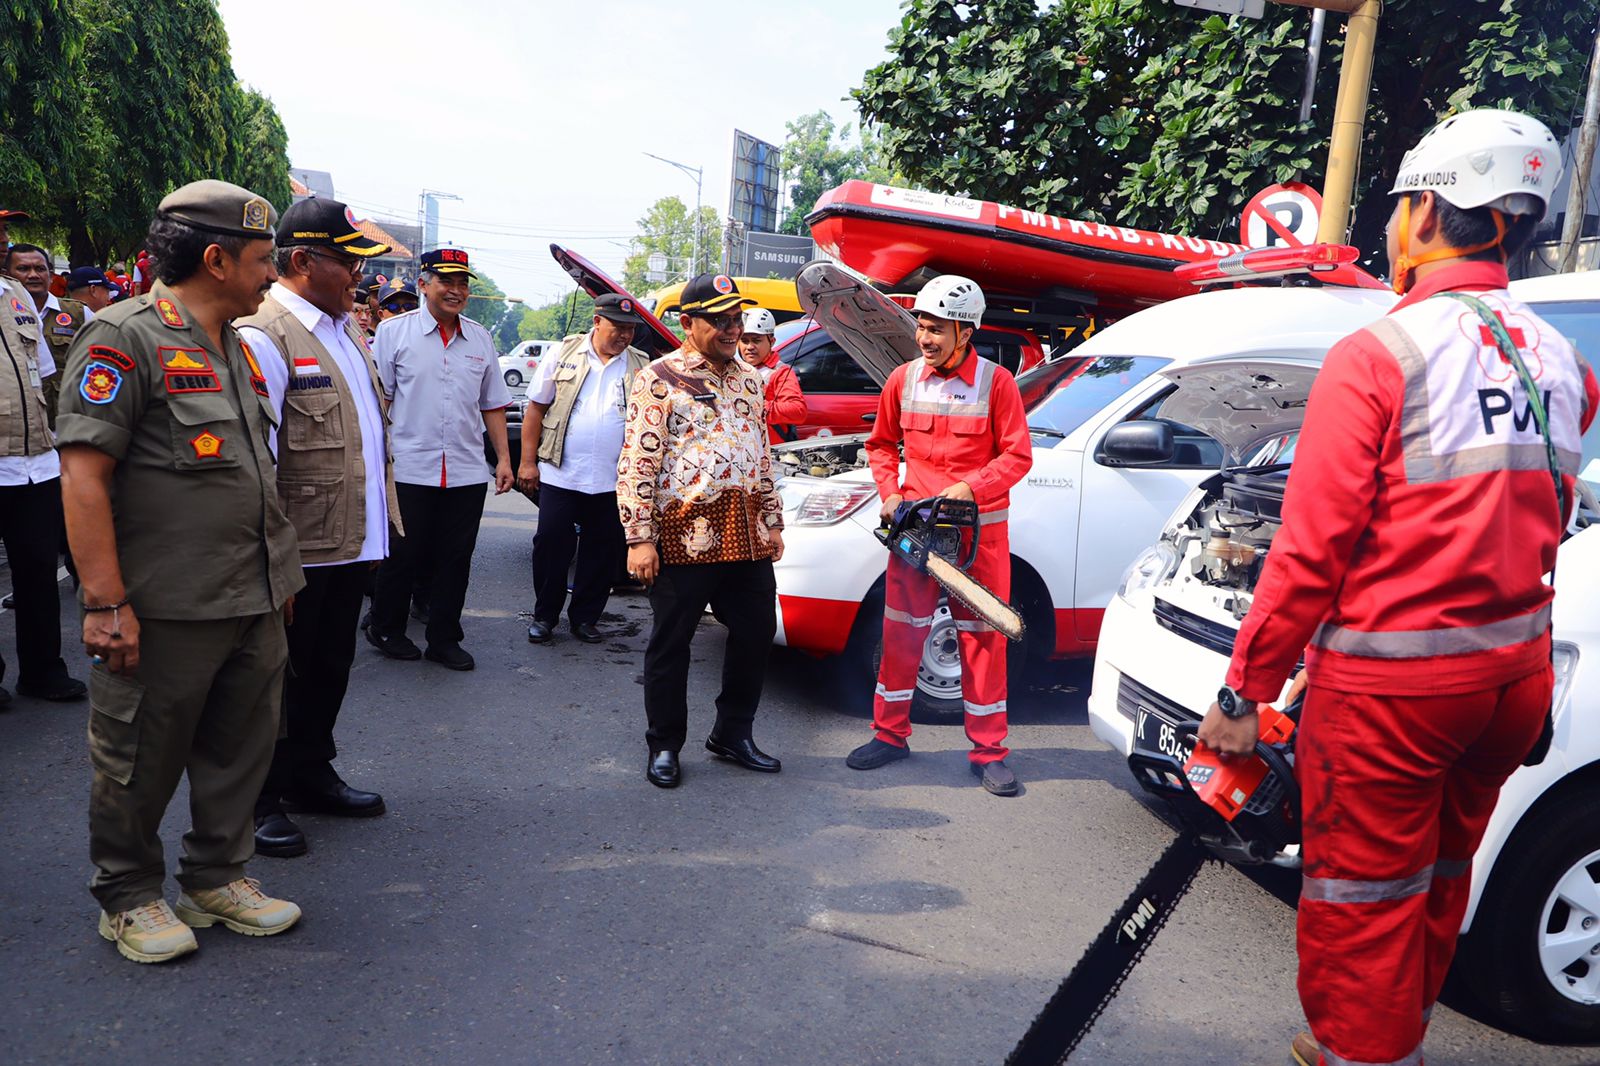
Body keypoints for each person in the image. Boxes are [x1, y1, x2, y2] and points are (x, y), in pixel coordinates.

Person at [1192, 110, 1600, 1066]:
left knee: (1362, 903)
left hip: (1396, 697)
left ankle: (1363, 1052)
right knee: (1439, 874)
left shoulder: (1381, 356)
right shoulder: (1565, 364)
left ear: (1429, 208)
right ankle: (1389, 1038)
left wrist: (1243, 693)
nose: (1390, 224)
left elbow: (1309, 553)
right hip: (1511, 683)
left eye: (1399, 204)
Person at [56, 180, 305, 964]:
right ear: (215, 259)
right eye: (264, 261)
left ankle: (215, 877)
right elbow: (84, 476)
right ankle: (128, 896)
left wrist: (279, 583)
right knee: (138, 758)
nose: (272, 276)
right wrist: (103, 603)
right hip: (162, 606)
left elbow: (250, 472)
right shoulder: (120, 339)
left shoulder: (235, 342)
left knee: (241, 746)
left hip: (250, 594)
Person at [236, 197, 398, 859]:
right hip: (298, 546)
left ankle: (310, 772)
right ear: (302, 261)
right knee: (278, 678)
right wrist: (272, 562)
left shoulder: (344, 328)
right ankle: (260, 797)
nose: (358, 277)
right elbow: (256, 463)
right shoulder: (264, 333)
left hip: (350, 539)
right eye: (348, 262)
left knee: (330, 665)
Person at [846, 275, 1032, 797]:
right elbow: (880, 445)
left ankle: (989, 753)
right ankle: (889, 735)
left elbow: (1017, 455)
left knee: (982, 642)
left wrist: (972, 487)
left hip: (979, 541)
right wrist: (887, 491)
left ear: (965, 333)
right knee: (902, 633)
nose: (924, 339)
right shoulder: (901, 380)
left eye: (936, 329)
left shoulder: (997, 384)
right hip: (915, 535)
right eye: (922, 327)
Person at [617, 273, 785, 789]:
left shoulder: (751, 379)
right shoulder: (658, 377)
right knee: (672, 641)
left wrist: (773, 521)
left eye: (737, 319)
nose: (733, 329)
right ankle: (664, 744)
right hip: (682, 532)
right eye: (721, 320)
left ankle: (733, 733)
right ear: (688, 323)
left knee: (756, 632)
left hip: (745, 529)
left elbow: (762, 455)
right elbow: (638, 461)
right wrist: (639, 537)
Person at [367, 248, 513, 671]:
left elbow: (493, 405)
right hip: (410, 464)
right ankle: (386, 627)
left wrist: (503, 459)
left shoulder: (480, 337)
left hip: (466, 468)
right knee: (403, 554)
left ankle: (444, 638)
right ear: (423, 284)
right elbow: (380, 401)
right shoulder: (394, 334)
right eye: (446, 281)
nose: (455, 290)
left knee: (455, 558)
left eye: (463, 283)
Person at [518, 293, 651, 645]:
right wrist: (527, 462)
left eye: (630, 330)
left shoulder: (640, 364)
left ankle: (585, 618)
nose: (624, 336)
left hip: (613, 480)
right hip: (562, 472)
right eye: (617, 328)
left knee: (602, 550)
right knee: (551, 543)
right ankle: (544, 616)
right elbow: (535, 410)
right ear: (596, 322)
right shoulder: (563, 354)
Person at [0, 210, 84, 706]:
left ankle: (42, 670)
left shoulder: (15, 297)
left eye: (4, 234)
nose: (5, 243)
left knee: (37, 572)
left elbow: (43, 374)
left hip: (35, 462)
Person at [8, 244, 84, 428]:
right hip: (18, 425)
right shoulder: (4, 316)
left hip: (67, 423)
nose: (33, 275)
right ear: (6, 274)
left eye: (40, 269)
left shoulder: (78, 313)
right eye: (23, 269)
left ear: (51, 275)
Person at [738, 307, 806, 443]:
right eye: (744, 341)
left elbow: (798, 410)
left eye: (756, 340)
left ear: (772, 341)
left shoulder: (781, 372)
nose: (750, 347)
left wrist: (756, 407)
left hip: (770, 453)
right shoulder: (735, 369)